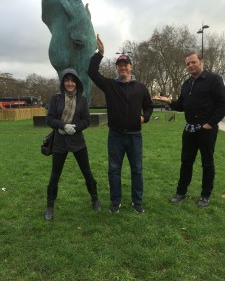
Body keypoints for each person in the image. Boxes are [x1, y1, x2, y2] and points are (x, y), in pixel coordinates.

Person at [87, 34, 153, 213]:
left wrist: (144, 118)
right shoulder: (110, 85)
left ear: (131, 67)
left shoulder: (141, 87)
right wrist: (99, 53)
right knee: (114, 171)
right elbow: (92, 72)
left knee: (137, 170)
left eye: (126, 64)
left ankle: (137, 201)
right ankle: (115, 202)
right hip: (115, 135)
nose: (123, 67)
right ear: (117, 68)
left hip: (134, 136)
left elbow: (149, 107)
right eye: (120, 65)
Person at [153, 51, 225, 207]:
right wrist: (169, 101)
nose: (190, 65)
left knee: (207, 163)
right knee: (186, 162)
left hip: (206, 130)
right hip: (189, 129)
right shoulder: (186, 84)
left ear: (201, 62)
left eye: (193, 62)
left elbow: (222, 105)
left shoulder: (214, 80)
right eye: (187, 64)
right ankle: (181, 193)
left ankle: (205, 195)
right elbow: (182, 105)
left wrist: (210, 124)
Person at [44, 68, 101, 221]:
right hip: (60, 141)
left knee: (87, 171)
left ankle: (95, 199)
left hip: (77, 140)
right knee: (55, 175)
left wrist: (75, 128)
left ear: (76, 83)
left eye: (72, 80)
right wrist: (62, 126)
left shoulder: (82, 99)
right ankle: (50, 205)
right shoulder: (55, 98)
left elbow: (86, 120)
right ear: (63, 82)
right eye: (67, 80)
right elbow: (49, 119)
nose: (70, 83)